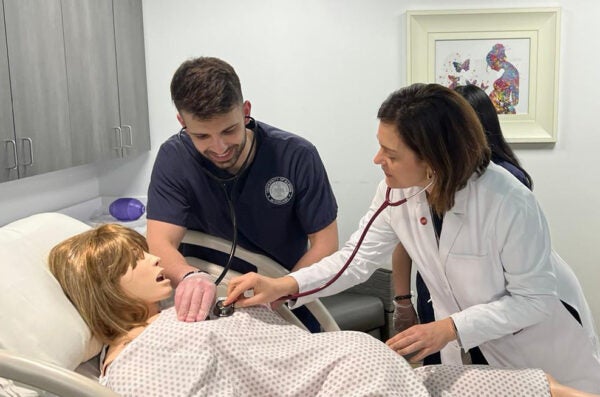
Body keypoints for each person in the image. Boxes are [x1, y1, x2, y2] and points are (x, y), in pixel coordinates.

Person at [225, 83, 600, 393]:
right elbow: (354, 260)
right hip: (467, 341)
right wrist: (282, 285)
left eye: (390, 153)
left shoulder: (508, 201)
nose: (376, 160)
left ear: (435, 159)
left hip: (537, 340)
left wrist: (450, 328)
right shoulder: (398, 191)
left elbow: (533, 300)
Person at [47, 224, 595, 397]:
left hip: (363, 370)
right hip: (348, 382)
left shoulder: (184, 317)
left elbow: (347, 261)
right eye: (133, 261)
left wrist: (257, 296)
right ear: (103, 288)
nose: (154, 259)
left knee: (530, 384)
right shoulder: (136, 359)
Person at [146, 56, 338, 327]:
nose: (220, 147)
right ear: (182, 122)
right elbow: (160, 243)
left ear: (245, 111)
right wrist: (189, 277)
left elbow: (326, 245)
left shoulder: (296, 156)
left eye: (229, 130)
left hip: (282, 296)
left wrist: (280, 289)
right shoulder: (174, 159)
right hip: (207, 302)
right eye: (202, 136)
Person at [390, 83, 535, 366]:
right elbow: (401, 241)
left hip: (491, 302)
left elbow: (526, 288)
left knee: (490, 371)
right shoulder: (423, 180)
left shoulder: (506, 185)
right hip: (433, 288)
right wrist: (402, 300)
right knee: (437, 368)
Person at [486, 43, 520, 114]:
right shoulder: (507, 69)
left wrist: (513, 101)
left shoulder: (510, 71)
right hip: (499, 103)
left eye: (492, 64)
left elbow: (514, 99)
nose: (492, 67)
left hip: (501, 104)